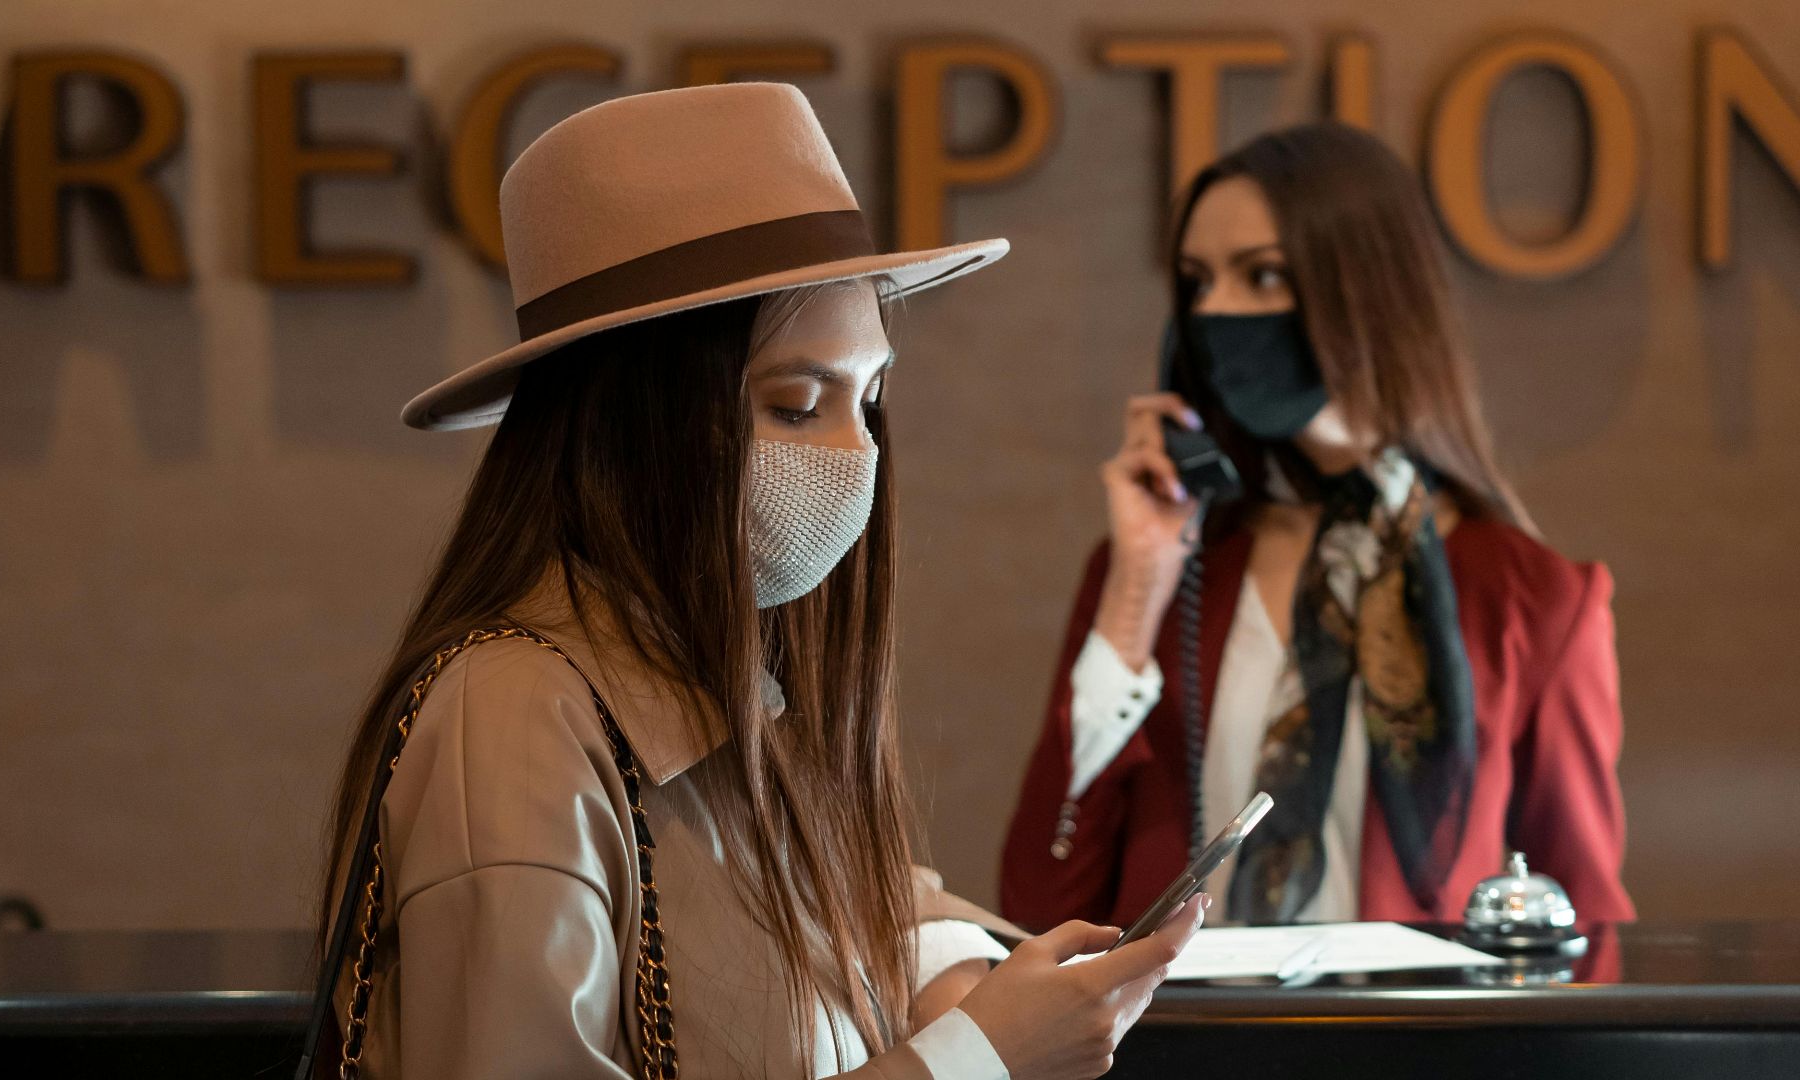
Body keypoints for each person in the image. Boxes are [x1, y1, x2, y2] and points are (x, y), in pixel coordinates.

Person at [308, 83, 1207, 1080]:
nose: (854, 452)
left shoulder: (728, 681)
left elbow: (853, 891)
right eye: (795, 404)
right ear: (635, 419)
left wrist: (944, 972)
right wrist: (975, 1059)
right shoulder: (514, 715)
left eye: (869, 399)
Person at [1000, 122, 1635, 933]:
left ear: (1371, 295)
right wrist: (1135, 594)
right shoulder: (1166, 570)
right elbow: (1041, 906)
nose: (1214, 311)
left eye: (1261, 275)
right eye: (1197, 282)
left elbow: (1584, 927)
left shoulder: (1532, 599)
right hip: (1177, 1016)